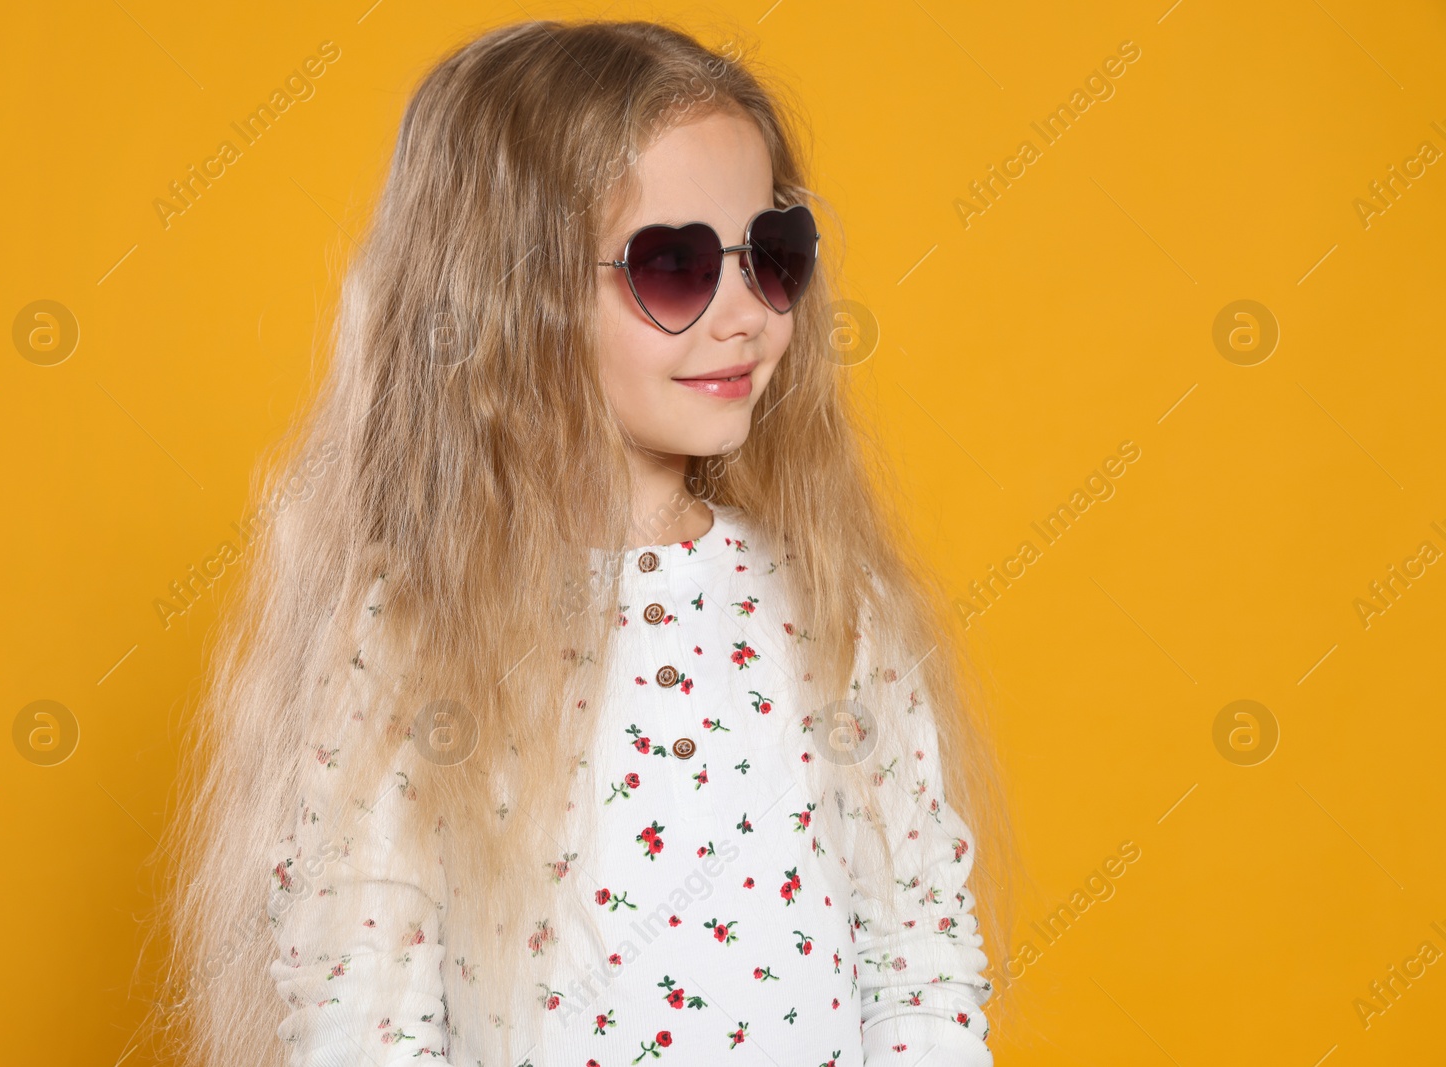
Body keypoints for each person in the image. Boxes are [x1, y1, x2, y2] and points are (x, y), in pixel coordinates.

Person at [141, 18, 1018, 1067]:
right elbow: (361, 1011)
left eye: (772, 255)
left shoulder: (829, 604)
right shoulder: (417, 632)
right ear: (517, 299)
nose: (746, 313)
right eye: (678, 264)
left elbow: (917, 953)